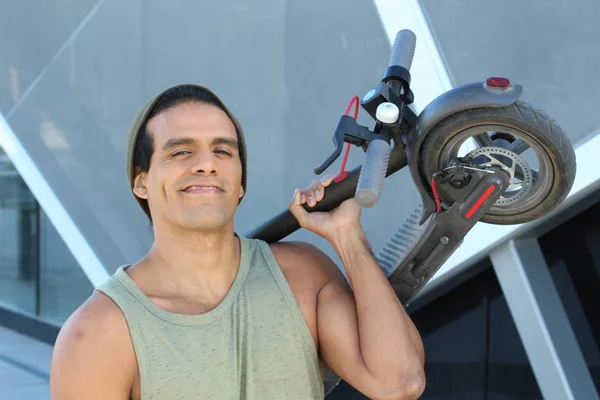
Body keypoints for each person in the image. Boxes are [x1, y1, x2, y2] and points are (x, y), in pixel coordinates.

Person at [50, 84, 425, 400]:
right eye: (181, 151)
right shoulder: (98, 332)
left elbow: (399, 382)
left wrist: (347, 236)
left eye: (223, 151)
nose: (206, 164)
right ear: (141, 181)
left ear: (241, 181)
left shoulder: (302, 276)